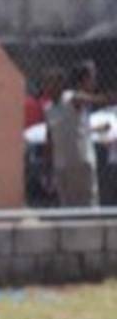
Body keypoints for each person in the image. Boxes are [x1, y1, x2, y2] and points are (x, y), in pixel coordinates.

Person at [46, 60, 112, 208]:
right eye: (92, 77)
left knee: (88, 202)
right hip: (63, 164)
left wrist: (97, 128)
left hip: (80, 161)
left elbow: (79, 127)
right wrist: (48, 167)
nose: (48, 87)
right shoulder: (53, 107)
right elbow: (52, 137)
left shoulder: (72, 99)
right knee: (68, 204)